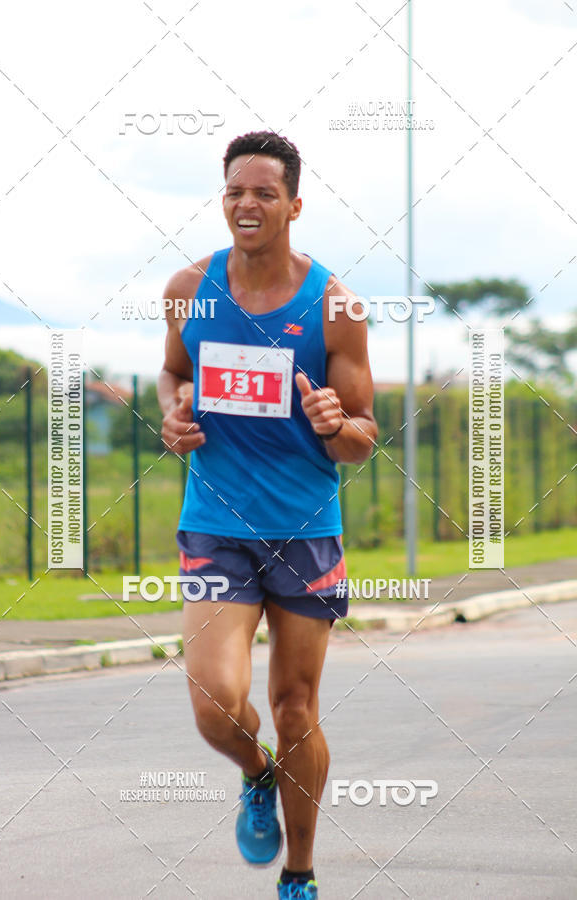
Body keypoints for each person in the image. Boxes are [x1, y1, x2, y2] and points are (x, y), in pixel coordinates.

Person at [158, 130, 377, 900]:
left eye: (264, 193)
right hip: (216, 525)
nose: (247, 204)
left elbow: (363, 440)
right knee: (216, 704)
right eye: (235, 191)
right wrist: (172, 415)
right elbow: (172, 371)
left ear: (294, 204)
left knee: (294, 709)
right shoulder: (189, 287)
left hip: (305, 533)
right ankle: (257, 777)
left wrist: (333, 422)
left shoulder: (336, 306)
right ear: (223, 199)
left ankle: (300, 873)